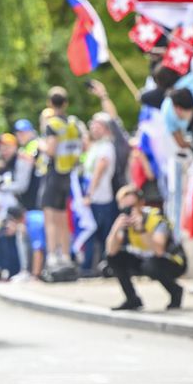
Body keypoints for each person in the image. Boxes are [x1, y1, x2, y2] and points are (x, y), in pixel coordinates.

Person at [106, 185, 186, 311]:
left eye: (132, 206)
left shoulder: (156, 218)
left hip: (172, 261)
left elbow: (159, 250)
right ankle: (132, 299)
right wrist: (114, 230)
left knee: (150, 265)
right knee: (115, 258)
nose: (129, 211)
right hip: (146, 261)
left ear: (141, 203)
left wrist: (141, 229)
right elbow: (111, 252)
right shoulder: (125, 222)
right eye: (125, 208)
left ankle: (175, 291)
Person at [39, 87, 87, 272]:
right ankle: (66, 255)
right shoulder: (74, 124)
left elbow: (51, 150)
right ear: (65, 103)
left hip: (54, 172)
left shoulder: (53, 124)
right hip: (68, 173)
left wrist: (41, 145)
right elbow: (84, 145)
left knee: (50, 217)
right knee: (63, 217)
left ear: (50, 103)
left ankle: (52, 256)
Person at [81, 113, 119, 276]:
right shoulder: (95, 146)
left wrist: (89, 193)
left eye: (99, 125)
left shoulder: (106, 147)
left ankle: (99, 266)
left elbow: (99, 170)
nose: (94, 128)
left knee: (100, 234)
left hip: (101, 197)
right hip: (94, 196)